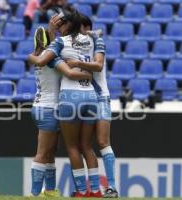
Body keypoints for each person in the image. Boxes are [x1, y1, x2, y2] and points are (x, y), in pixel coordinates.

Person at [28, 7, 100, 197]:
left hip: (43, 106)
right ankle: (34, 194)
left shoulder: (37, 56)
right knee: (43, 153)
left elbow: (45, 52)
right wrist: (87, 74)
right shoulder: (51, 58)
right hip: (49, 108)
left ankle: (50, 191)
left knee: (50, 152)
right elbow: (67, 70)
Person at [65, 15, 119, 198]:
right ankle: (86, 189)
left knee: (103, 142)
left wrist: (77, 63)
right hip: (83, 97)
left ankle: (111, 187)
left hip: (101, 97)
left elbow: (97, 65)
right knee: (80, 144)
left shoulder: (96, 41)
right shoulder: (74, 44)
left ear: (86, 27)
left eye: (78, 28)